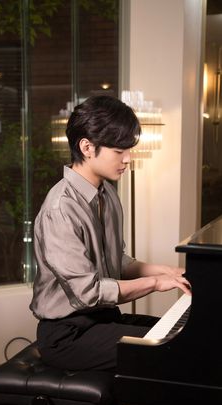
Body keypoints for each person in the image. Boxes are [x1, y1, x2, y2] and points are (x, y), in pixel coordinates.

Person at [29, 95, 190, 372]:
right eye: (119, 151)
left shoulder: (108, 195)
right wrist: (154, 283)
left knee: (183, 335)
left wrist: (169, 273)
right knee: (174, 353)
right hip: (68, 335)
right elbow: (88, 293)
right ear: (87, 147)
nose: (128, 160)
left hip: (103, 319)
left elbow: (118, 262)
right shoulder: (60, 209)